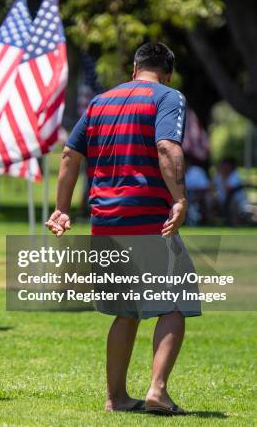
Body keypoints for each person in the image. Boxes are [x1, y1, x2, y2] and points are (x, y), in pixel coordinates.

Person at [46, 42, 198, 415]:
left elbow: (69, 154)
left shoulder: (101, 102)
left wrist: (62, 208)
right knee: (175, 302)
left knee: (126, 308)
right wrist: (179, 198)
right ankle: (157, 391)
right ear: (168, 72)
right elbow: (167, 148)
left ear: (134, 68)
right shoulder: (168, 97)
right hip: (149, 220)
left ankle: (115, 398)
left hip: (105, 222)